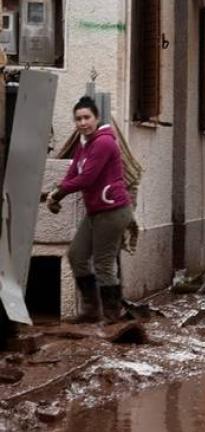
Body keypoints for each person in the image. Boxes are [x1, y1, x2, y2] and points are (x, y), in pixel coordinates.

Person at [47, 96, 134, 323]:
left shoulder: (104, 142)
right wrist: (58, 191)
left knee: (103, 262)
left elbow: (87, 178)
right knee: (76, 254)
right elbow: (73, 174)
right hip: (96, 211)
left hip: (114, 209)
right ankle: (91, 309)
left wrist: (60, 193)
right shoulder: (83, 145)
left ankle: (112, 314)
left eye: (87, 117)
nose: (83, 122)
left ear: (96, 119)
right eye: (78, 119)